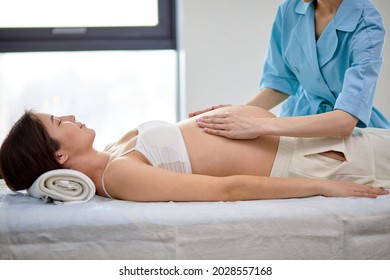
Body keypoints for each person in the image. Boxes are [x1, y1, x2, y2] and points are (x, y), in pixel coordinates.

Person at [0, 105, 389, 202]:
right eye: (57, 122)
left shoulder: (115, 150)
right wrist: (320, 188)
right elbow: (225, 190)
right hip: (317, 161)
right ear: (61, 158)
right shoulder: (118, 175)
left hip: (310, 140)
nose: (69, 116)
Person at [191, 0, 390, 139]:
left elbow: (345, 122)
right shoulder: (290, 9)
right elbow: (280, 83)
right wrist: (238, 114)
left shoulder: (367, 26)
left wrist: (257, 125)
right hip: (293, 119)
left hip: (351, 134)